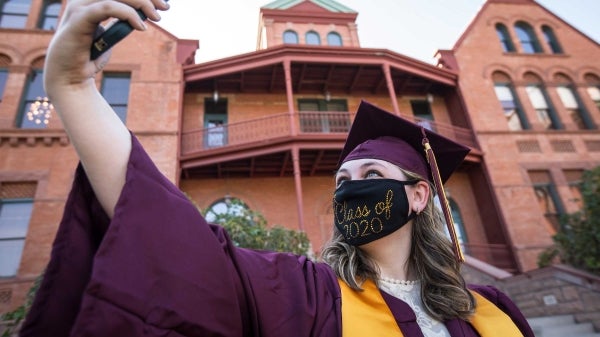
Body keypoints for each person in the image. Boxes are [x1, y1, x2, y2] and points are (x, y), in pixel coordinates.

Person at [20, 1, 534, 336]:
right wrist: (71, 87)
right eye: (341, 183)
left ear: (419, 195)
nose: (352, 191)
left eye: (371, 175)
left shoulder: (493, 312)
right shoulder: (301, 295)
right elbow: (167, 233)